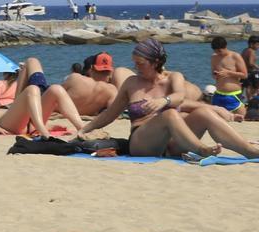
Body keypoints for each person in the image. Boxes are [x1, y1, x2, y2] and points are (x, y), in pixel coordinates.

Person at [80, 39, 259, 158]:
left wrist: (163, 101)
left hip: (174, 142)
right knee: (170, 115)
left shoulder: (174, 77)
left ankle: (249, 150)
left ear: (155, 62)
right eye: (135, 62)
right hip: (142, 142)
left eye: (140, 63)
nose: (136, 67)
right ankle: (201, 149)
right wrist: (85, 128)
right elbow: (110, 114)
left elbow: (179, 97)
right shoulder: (131, 83)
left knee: (203, 111)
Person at [0, 58, 85, 135]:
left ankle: (82, 127)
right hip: (9, 124)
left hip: (25, 120)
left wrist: (52, 126)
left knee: (55, 87)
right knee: (32, 89)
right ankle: (42, 130)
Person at [61, 53, 118, 118]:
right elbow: (113, 112)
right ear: (111, 72)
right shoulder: (112, 90)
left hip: (62, 111)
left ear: (91, 69)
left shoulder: (75, 78)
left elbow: (57, 94)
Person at [209, 36, 248, 116]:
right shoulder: (214, 57)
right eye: (216, 51)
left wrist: (228, 73)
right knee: (216, 120)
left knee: (241, 119)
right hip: (218, 93)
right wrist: (215, 74)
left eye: (220, 51)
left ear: (225, 46)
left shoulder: (235, 56)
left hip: (233, 94)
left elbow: (244, 75)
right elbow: (213, 74)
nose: (218, 53)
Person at [244, 35, 259, 102]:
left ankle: (249, 101)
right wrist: (257, 67)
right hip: (252, 72)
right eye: (257, 45)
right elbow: (250, 63)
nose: (258, 47)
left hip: (246, 72)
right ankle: (253, 101)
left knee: (248, 87)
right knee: (255, 88)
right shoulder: (252, 51)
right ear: (251, 44)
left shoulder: (245, 50)